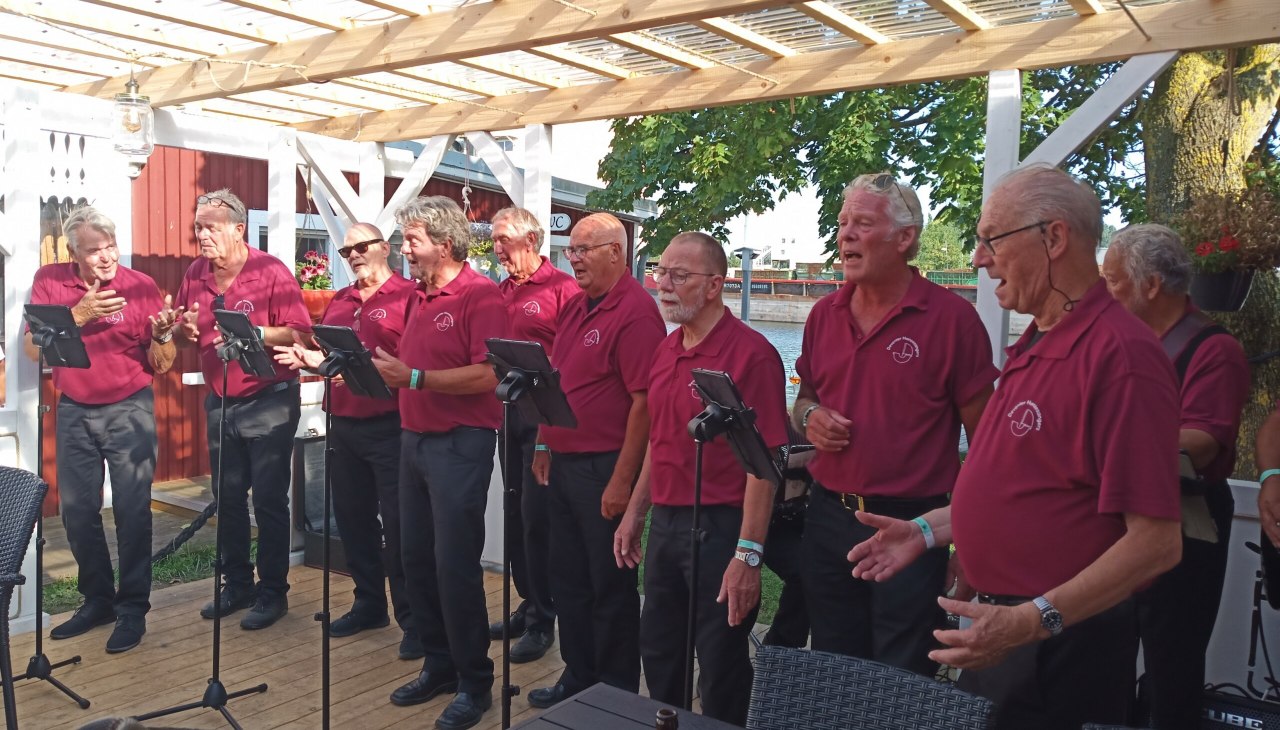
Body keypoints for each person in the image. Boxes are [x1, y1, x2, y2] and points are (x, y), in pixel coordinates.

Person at [849, 164, 1184, 730]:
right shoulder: (1041, 338)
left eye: (990, 240)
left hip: (1058, 644)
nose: (978, 259)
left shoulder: (1120, 357)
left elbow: (1156, 544)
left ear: (1054, 238)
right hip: (1009, 631)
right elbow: (1027, 488)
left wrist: (1031, 622)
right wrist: (929, 530)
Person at [791, 172, 998, 674]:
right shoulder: (824, 314)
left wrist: (968, 542)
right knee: (833, 668)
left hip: (914, 523)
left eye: (863, 223)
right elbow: (802, 403)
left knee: (902, 677)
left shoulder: (952, 320)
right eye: (843, 224)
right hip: (829, 518)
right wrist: (811, 417)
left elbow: (989, 445)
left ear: (905, 238)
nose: (845, 235)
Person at [614, 231, 787, 724]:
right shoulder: (667, 349)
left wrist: (748, 555)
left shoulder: (751, 355)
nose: (663, 285)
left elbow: (765, 464)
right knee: (661, 652)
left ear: (714, 285)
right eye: (660, 272)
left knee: (720, 662)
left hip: (722, 528)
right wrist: (634, 514)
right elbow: (659, 442)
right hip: (667, 525)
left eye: (679, 275)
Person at [1102, 223, 1250, 729]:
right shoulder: (1119, 343)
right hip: (1119, 514)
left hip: (1189, 519)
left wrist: (1104, 447)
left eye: (1114, 281)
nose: (1105, 292)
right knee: (1108, 653)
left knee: (1172, 661)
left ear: (1150, 286)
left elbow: (1204, 441)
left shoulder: (1213, 348)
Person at [371, 196, 505, 730]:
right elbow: (405, 364)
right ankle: (439, 664)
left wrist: (416, 379)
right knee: (415, 560)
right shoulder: (417, 297)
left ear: (444, 246)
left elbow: (490, 374)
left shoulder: (480, 295)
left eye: (413, 241)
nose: (404, 250)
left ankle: (476, 683)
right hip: (414, 439)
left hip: (460, 443)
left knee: (454, 566)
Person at [526, 213, 665, 708]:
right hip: (564, 464)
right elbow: (558, 381)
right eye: (571, 249)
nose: (574, 257)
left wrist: (622, 483)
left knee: (609, 585)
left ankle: (615, 693)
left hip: (604, 466)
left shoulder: (636, 312)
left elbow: (645, 405)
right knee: (569, 579)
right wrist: (544, 441)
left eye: (584, 249)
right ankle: (579, 675)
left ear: (616, 252)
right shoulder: (576, 307)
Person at [28, 205, 180, 654]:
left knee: (133, 512)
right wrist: (78, 314)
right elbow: (31, 349)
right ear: (73, 253)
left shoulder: (140, 286)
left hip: (129, 407)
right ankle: (98, 600)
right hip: (74, 407)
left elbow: (163, 365)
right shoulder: (50, 282)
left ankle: (133, 608)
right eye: (94, 250)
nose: (106, 257)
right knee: (77, 513)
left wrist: (164, 336)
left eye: (110, 246)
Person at [273, 222, 421, 659]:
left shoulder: (409, 296)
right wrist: (310, 359)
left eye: (361, 247)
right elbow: (329, 355)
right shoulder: (340, 299)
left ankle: (412, 620)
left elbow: (413, 362)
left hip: (391, 425)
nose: (353, 255)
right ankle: (369, 603)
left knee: (399, 529)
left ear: (384, 248)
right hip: (345, 423)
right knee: (353, 522)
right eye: (345, 250)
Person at [174, 189, 311, 631]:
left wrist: (255, 332)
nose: (202, 235)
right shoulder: (196, 273)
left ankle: (274, 593)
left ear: (239, 229)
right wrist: (181, 330)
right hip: (221, 401)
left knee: (269, 501)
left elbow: (301, 335)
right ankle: (237, 585)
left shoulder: (271, 272)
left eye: (210, 226)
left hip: (269, 399)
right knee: (228, 499)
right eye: (198, 227)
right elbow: (181, 337)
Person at [487, 206, 579, 663]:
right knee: (514, 513)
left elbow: (569, 367)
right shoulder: (499, 291)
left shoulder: (563, 291)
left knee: (538, 517)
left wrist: (546, 433)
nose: (496, 247)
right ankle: (529, 602)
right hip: (506, 414)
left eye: (504, 238)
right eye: (495, 239)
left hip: (543, 419)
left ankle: (545, 617)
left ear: (532, 240)